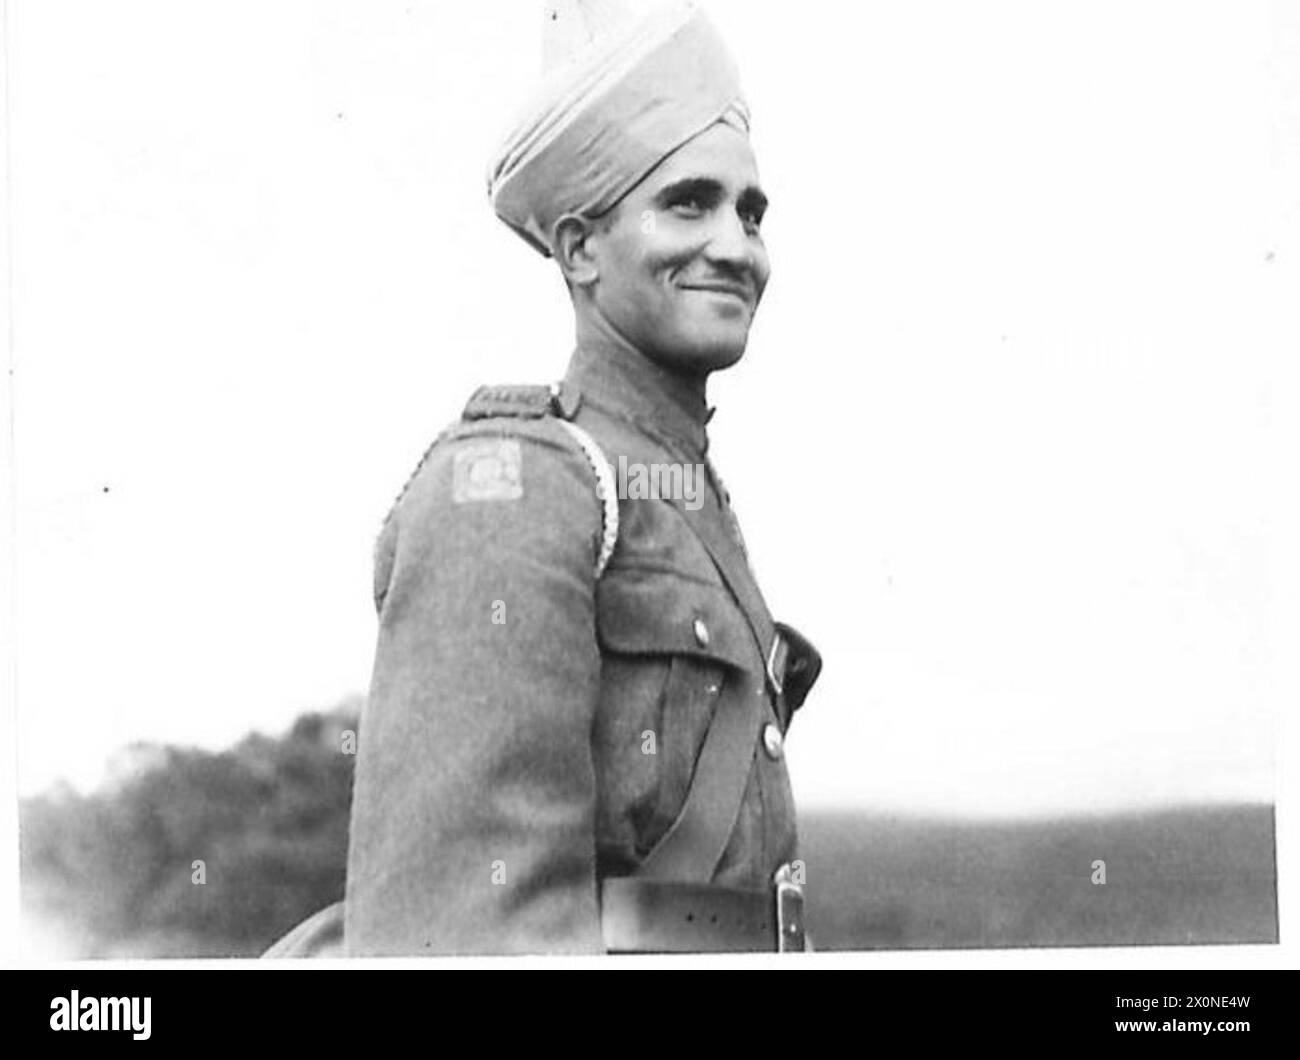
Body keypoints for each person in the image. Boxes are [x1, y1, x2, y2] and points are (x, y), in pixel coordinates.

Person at [264, 0, 821, 957]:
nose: (735, 244)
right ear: (579, 249)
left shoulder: (687, 499)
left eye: (751, 211)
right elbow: (470, 937)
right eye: (689, 202)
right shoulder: (516, 491)